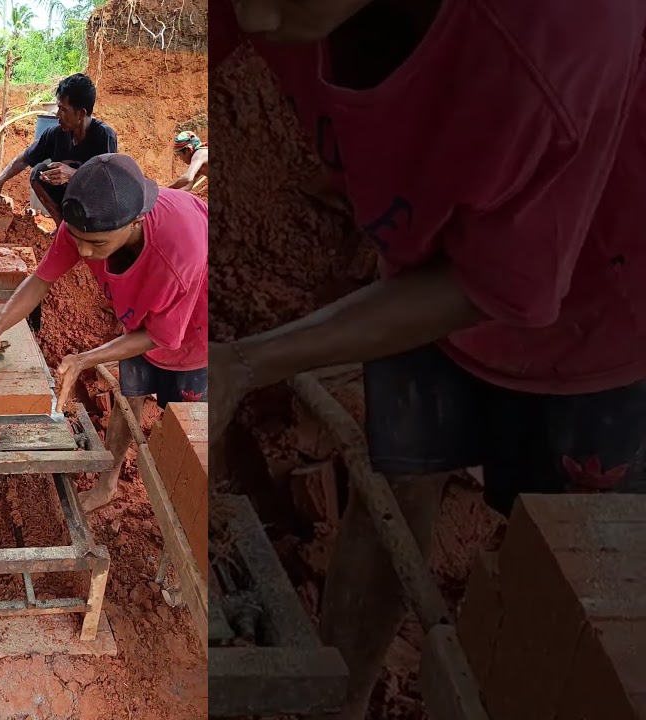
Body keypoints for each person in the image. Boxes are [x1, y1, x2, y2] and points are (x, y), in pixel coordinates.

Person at [210, 2, 646, 719]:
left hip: (601, 306)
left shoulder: (559, 38)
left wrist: (251, 361)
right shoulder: (279, 8)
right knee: (392, 485)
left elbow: (489, 288)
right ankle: (338, 703)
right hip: (425, 256)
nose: (255, 16)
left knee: (568, 586)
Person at [0, 154, 208, 512]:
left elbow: (159, 337)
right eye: (77, 239)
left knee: (187, 432)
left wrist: (85, 359)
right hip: (147, 317)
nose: (82, 251)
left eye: (96, 245)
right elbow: (41, 280)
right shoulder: (88, 223)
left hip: (197, 329)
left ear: (135, 222)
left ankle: (189, 512)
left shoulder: (178, 254)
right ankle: (107, 485)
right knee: (128, 398)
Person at [0, 73, 118, 222]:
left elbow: (108, 184)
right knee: (39, 172)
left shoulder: (104, 136)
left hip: (94, 207)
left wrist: (72, 174)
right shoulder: (56, 134)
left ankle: (87, 231)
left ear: (80, 114)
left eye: (63, 109)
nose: (57, 114)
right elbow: (25, 158)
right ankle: (61, 227)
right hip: (69, 202)